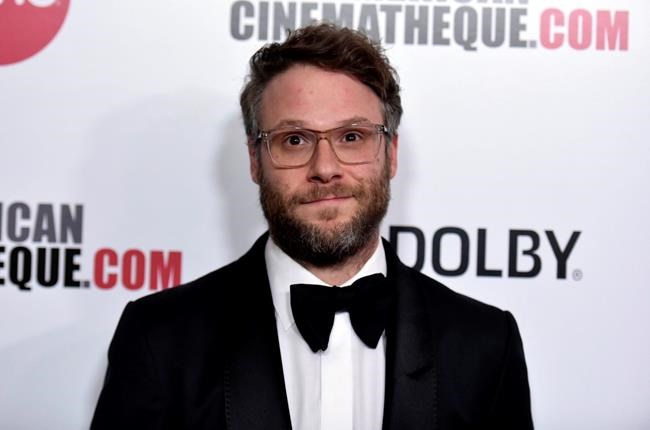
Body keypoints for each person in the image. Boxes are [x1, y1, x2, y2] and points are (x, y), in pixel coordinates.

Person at [91, 23, 533, 430]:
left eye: (352, 137)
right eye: (295, 140)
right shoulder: (159, 341)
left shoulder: (484, 346)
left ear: (391, 154)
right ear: (254, 160)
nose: (325, 168)